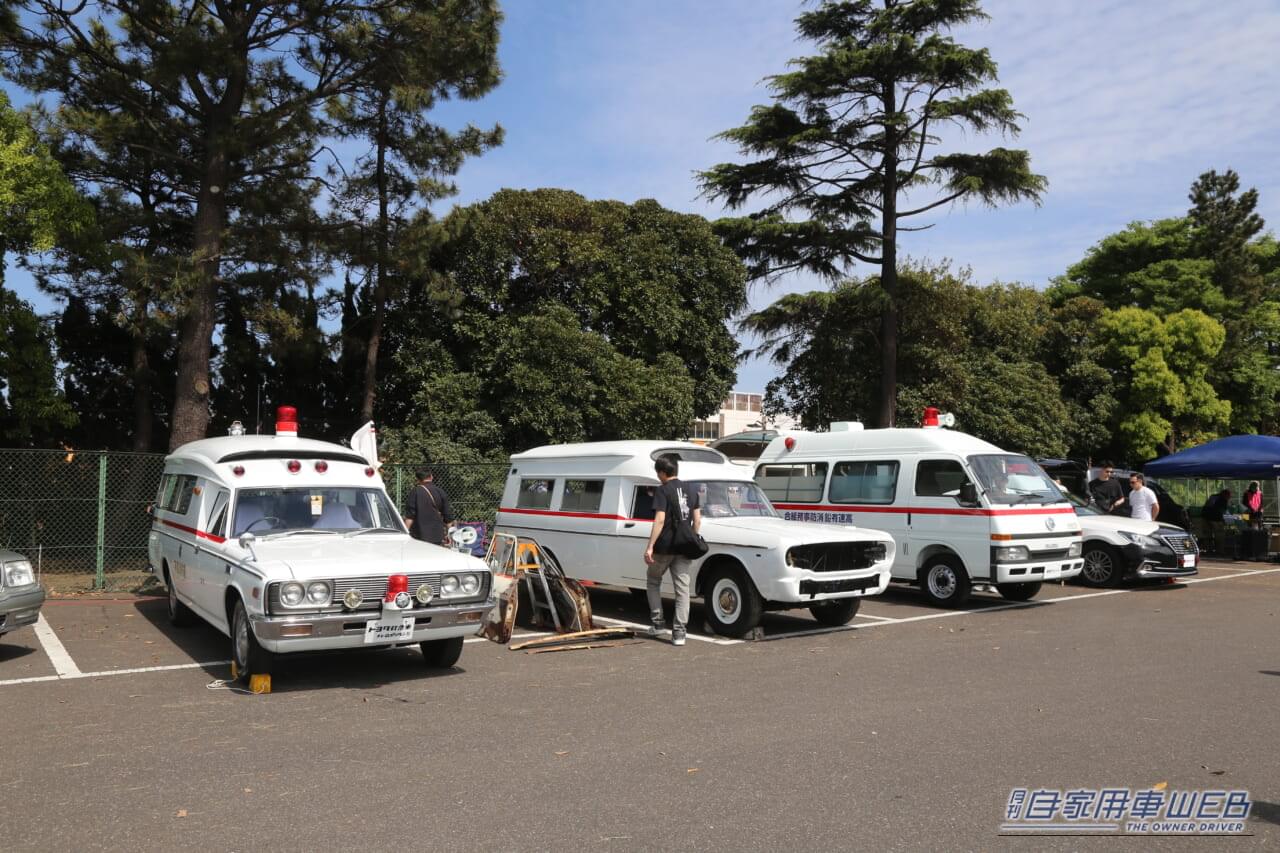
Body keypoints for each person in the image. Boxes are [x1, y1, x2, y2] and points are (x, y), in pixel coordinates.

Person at [643, 454, 701, 647]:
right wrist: (690, 537)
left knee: (653, 580)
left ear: (662, 472)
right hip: (684, 548)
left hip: (664, 547)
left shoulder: (662, 491)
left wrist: (650, 546)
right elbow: (698, 520)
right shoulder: (692, 489)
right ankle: (679, 633)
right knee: (682, 590)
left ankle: (658, 623)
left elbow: (659, 519)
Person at [404, 468, 454, 546]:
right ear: (431, 477)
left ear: (417, 479)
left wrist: (405, 532)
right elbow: (448, 516)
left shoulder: (415, 492)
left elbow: (410, 516)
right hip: (437, 535)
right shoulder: (440, 491)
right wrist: (450, 536)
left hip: (419, 534)